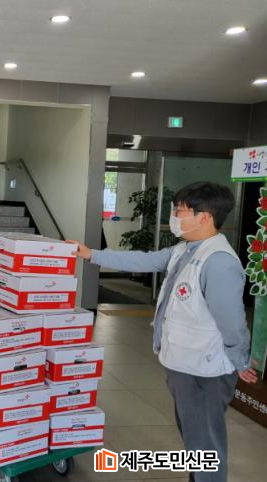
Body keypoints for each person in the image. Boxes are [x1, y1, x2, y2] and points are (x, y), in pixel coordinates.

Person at [70, 182, 257, 482]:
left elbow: (232, 320)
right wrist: (91, 254)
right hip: (184, 363)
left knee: (205, 442)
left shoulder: (219, 261)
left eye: (180, 211)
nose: (174, 217)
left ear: (205, 217)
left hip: (204, 370)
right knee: (195, 436)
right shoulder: (184, 249)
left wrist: (240, 359)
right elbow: (144, 259)